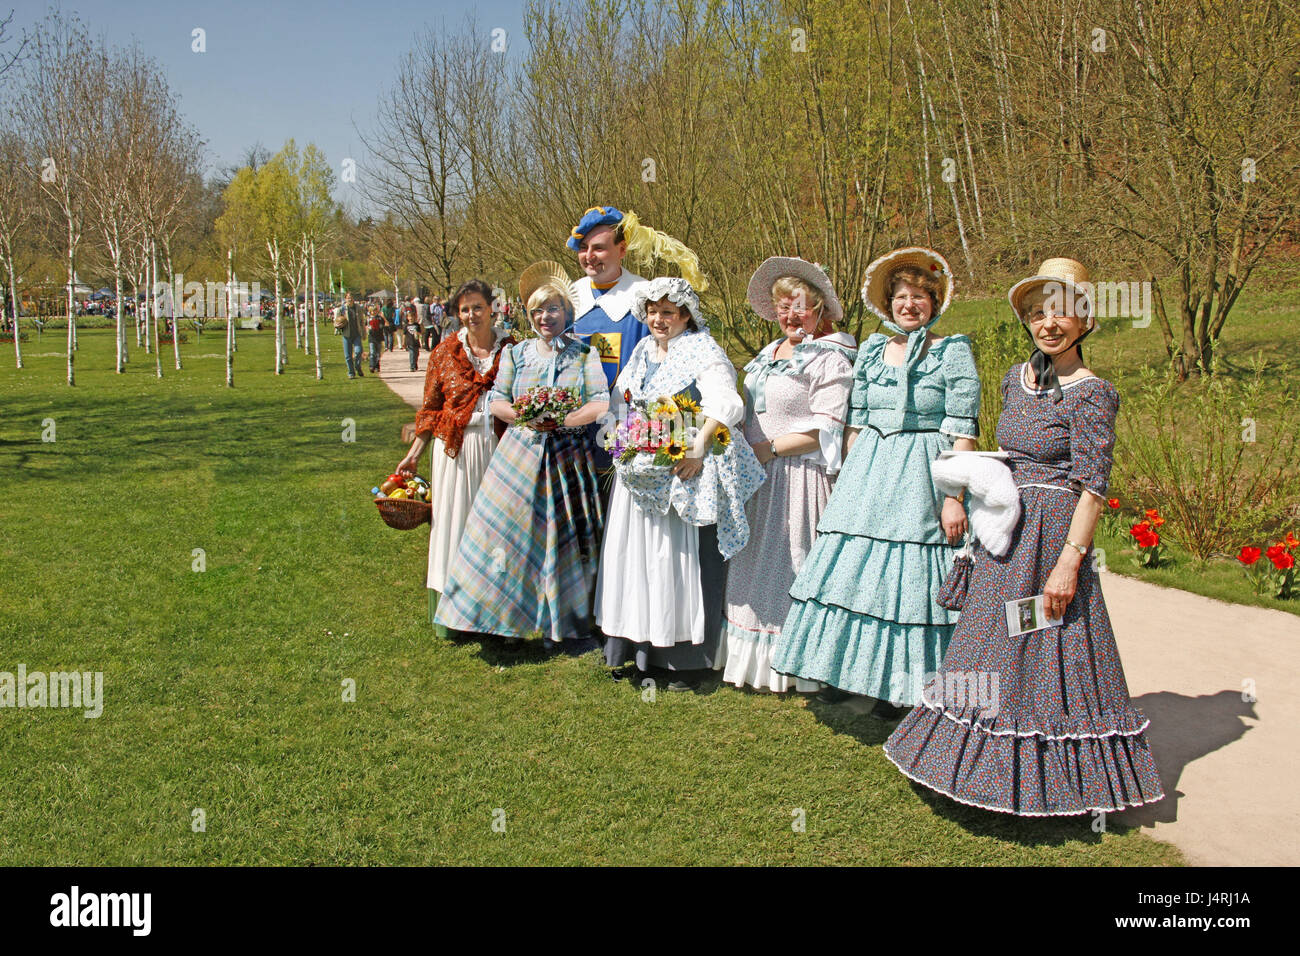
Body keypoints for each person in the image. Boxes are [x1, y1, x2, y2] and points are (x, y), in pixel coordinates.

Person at [884, 258, 1165, 816]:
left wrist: (1070, 563)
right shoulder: (1016, 377)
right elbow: (1002, 452)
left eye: (1061, 312)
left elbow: (1093, 487)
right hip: (1006, 533)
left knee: (1041, 643)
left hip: (1051, 541)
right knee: (990, 641)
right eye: (1039, 313)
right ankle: (968, 766)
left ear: (1084, 321)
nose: (1048, 323)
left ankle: (1052, 780)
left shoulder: (1092, 394)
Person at [771, 248, 980, 716]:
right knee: (853, 571)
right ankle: (844, 671)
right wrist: (850, 475)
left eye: (920, 297)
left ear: (936, 300)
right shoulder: (871, 349)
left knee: (909, 579)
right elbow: (856, 420)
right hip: (869, 468)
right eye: (901, 296)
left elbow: (962, 427)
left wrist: (953, 497)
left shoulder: (954, 351)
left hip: (924, 470)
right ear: (888, 303)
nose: (910, 305)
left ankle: (905, 687)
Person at [596, 277, 764, 692]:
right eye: (653, 312)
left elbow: (727, 401)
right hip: (640, 469)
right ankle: (635, 649)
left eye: (668, 312)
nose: (659, 319)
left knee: (672, 561)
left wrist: (697, 446)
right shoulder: (642, 350)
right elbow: (622, 400)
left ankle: (681, 661)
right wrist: (626, 438)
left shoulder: (701, 350)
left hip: (680, 471)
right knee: (635, 559)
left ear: (685, 315)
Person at [435, 262, 609, 648]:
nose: (545, 318)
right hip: (519, 457)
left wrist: (564, 419)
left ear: (567, 311)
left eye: (552, 309)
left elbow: (599, 402)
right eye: (537, 312)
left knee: (566, 537)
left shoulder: (583, 355)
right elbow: (497, 400)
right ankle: (503, 617)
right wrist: (528, 417)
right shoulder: (517, 354)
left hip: (568, 458)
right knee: (505, 535)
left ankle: (568, 622)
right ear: (528, 316)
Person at [715, 258, 857, 693]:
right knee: (754, 562)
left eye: (800, 306)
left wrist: (768, 448)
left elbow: (824, 428)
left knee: (797, 562)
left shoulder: (831, 358)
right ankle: (756, 664)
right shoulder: (767, 354)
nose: (791, 315)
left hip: (799, 477)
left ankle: (805, 666)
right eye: (783, 307)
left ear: (819, 309)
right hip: (759, 477)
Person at [396, 279, 516, 635]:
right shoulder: (444, 352)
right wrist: (414, 453)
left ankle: (498, 616)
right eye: (464, 309)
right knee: (455, 527)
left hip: (500, 449)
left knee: (498, 530)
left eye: (477, 306)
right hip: (456, 451)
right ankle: (454, 617)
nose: (471, 315)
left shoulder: (513, 350)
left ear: (492, 307)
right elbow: (432, 409)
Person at [568, 205, 706, 477]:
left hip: (628, 432)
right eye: (583, 248)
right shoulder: (567, 297)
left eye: (599, 248)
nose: (589, 256)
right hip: (573, 434)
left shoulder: (647, 298)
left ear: (622, 249)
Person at [336, 292, 365, 378]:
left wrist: (364, 332)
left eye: (351, 297)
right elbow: (336, 322)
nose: (350, 299)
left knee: (358, 351)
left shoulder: (358, 308)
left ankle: (358, 366)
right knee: (348, 356)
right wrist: (338, 326)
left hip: (356, 334)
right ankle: (351, 372)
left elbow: (362, 321)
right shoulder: (342, 309)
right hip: (346, 335)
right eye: (348, 298)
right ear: (345, 299)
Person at [366, 304, 385, 372]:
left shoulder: (380, 318)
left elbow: (382, 325)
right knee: (372, 352)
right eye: (372, 311)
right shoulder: (368, 319)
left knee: (378, 353)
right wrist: (368, 329)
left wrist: (379, 326)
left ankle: (377, 366)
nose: (373, 312)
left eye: (375, 311)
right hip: (371, 338)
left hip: (378, 337)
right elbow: (366, 326)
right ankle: (372, 365)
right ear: (370, 311)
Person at [403, 303, 422, 371]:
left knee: (416, 354)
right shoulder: (406, 326)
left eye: (412, 317)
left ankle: (415, 363)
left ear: (414, 317)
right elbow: (404, 335)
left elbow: (420, 333)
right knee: (411, 354)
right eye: (409, 317)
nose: (411, 318)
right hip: (409, 342)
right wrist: (404, 343)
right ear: (407, 318)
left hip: (416, 342)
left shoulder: (417, 325)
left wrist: (418, 333)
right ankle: (412, 366)